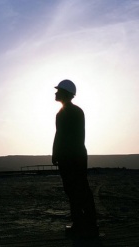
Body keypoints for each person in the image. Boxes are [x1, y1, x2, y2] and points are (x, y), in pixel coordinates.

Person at [52, 79, 99, 238]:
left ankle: (85, 225)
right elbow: (63, 135)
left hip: (70, 157)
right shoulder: (73, 112)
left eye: (58, 91)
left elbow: (63, 136)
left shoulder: (67, 113)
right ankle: (85, 224)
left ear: (65, 93)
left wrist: (57, 153)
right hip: (74, 156)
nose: (55, 93)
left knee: (77, 191)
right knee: (77, 190)